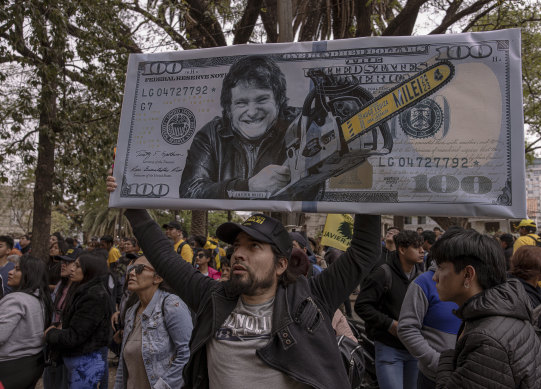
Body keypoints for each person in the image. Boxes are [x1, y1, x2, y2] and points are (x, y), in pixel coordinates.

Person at [107, 176, 380, 389]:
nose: (238, 253)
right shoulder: (212, 296)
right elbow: (164, 256)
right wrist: (130, 202)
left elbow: (364, 251)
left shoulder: (312, 297)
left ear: (281, 265)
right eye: (237, 245)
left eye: (254, 246)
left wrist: (373, 189)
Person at [430, 228, 541, 388]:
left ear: (468, 275)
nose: (435, 277)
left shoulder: (487, 340)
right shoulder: (500, 312)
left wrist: (448, 358)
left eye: (441, 268)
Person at [179, 55, 302, 200]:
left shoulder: (303, 122)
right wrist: (247, 187)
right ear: (229, 109)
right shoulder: (211, 135)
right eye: (241, 103)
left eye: (262, 99)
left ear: (279, 101)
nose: (252, 112)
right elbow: (190, 191)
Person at [354, 230, 425, 389]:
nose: (422, 251)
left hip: (414, 349)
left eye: (422, 247)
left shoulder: (421, 276)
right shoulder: (383, 273)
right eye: (416, 247)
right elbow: (362, 305)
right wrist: (389, 324)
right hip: (388, 349)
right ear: (402, 249)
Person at [114, 255, 192, 388]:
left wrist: (163, 386)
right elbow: (123, 363)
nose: (132, 273)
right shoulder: (131, 312)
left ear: (157, 278)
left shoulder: (172, 305)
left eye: (139, 269)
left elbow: (186, 354)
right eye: (131, 268)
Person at [44, 252, 114, 389]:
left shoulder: (94, 295)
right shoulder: (83, 290)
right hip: (78, 360)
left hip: (85, 362)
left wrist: (50, 334)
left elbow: (75, 336)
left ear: (90, 270)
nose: (71, 269)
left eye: (77, 266)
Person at [397, 259, 461, 389]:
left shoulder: (476, 285)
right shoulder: (423, 282)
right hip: (432, 377)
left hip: (469, 377)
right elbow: (406, 328)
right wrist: (437, 362)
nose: (436, 277)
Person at [0, 256, 53, 389]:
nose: (10, 272)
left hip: (9, 365)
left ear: (30, 275)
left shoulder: (15, 299)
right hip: (32, 363)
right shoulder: (40, 298)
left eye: (17, 269)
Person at [43, 254, 78, 389]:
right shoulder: (60, 285)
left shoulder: (81, 289)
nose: (63, 264)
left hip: (65, 340)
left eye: (69, 262)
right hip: (52, 339)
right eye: (63, 261)